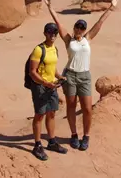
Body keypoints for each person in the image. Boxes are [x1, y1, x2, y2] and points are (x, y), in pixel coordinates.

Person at [43, 0, 118, 151]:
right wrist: (50, 7)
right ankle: (74, 134)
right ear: (74, 28)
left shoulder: (88, 38)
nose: (80, 29)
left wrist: (111, 7)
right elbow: (58, 22)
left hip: (84, 76)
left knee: (87, 108)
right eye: (78, 27)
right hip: (70, 75)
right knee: (71, 106)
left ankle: (86, 136)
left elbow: (100, 22)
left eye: (82, 28)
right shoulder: (68, 39)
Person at [29, 22, 68, 161]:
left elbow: (52, 68)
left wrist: (59, 77)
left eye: (55, 32)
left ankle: (51, 142)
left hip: (52, 86)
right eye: (50, 32)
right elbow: (32, 72)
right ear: (45, 33)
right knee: (40, 115)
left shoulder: (54, 49)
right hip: (40, 87)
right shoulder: (39, 50)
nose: (53, 35)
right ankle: (37, 145)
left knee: (51, 113)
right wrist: (45, 83)